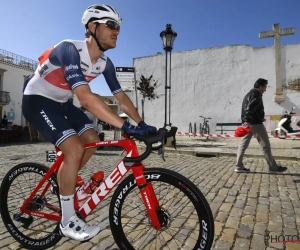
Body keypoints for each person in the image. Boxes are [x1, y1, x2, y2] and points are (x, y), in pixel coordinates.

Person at [22, 4, 156, 241]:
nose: (117, 31)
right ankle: (67, 221)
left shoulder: (105, 63)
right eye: (111, 25)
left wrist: (142, 123)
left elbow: (121, 98)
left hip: (61, 103)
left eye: (119, 27)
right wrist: (124, 126)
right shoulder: (69, 49)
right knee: (74, 147)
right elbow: (85, 97)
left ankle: (69, 183)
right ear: (92, 27)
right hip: (37, 100)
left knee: (92, 140)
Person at [235, 78, 287, 173]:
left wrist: (250, 120)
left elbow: (250, 108)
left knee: (243, 145)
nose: (265, 89)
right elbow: (250, 108)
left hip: (249, 123)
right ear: (260, 86)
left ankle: (238, 166)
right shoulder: (256, 94)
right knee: (265, 145)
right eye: (265, 87)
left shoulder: (249, 94)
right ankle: (273, 167)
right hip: (255, 124)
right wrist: (249, 120)